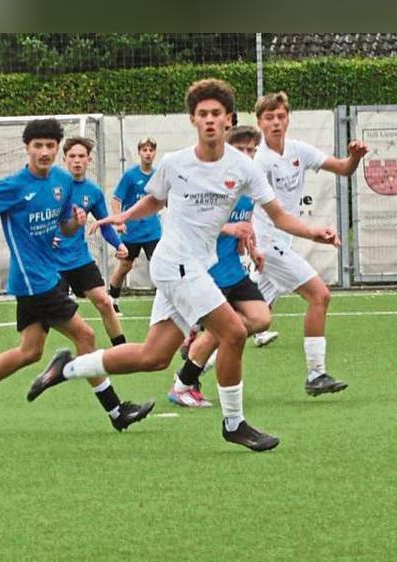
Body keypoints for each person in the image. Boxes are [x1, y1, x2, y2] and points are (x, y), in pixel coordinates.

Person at [26, 79, 341, 452]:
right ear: (193, 119)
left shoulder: (243, 167)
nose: (210, 120)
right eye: (203, 114)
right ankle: (234, 422)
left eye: (217, 114)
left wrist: (312, 231)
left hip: (194, 265)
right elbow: (154, 202)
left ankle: (67, 368)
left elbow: (277, 215)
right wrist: (120, 217)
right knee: (235, 333)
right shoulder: (175, 163)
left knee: (153, 357)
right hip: (176, 264)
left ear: (228, 120)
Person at [0, 118, 154, 436]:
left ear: (57, 149)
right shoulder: (12, 187)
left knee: (29, 351)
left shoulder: (61, 181)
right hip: (33, 281)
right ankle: (115, 409)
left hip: (45, 274)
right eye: (38, 146)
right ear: (27, 148)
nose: (44, 151)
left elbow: (65, 226)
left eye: (50, 146)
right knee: (85, 337)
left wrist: (76, 221)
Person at [251, 91, 368, 395]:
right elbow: (277, 217)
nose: (276, 122)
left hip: (280, 244)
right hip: (267, 245)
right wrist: (313, 232)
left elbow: (343, 169)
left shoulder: (298, 150)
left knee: (247, 321)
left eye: (280, 116)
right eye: (269, 117)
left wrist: (354, 157)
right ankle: (316, 374)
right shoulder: (260, 162)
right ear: (260, 123)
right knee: (320, 295)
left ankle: (189, 370)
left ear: (288, 118)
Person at [168, 125, 274, 408]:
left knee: (261, 318)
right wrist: (230, 229)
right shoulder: (212, 183)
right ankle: (182, 386)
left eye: (252, 150)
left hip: (233, 268)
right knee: (221, 331)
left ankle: (195, 350)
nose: (247, 155)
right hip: (208, 268)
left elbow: (246, 222)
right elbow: (195, 225)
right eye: (241, 149)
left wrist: (252, 248)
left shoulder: (249, 184)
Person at [55, 136, 128, 347]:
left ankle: (121, 349)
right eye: (72, 156)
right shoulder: (53, 187)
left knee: (105, 302)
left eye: (81, 156)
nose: (77, 160)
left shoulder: (93, 191)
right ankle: (77, 343)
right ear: (65, 159)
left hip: (79, 258)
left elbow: (104, 224)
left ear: (88, 160)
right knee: (53, 314)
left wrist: (119, 244)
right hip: (53, 263)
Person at [108, 136, 162, 316]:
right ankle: (112, 300)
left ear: (154, 153)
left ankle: (164, 302)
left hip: (152, 231)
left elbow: (165, 198)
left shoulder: (158, 175)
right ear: (139, 152)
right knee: (125, 266)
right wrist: (118, 220)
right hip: (131, 231)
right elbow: (116, 199)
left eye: (151, 150)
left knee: (160, 265)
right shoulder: (130, 176)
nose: (148, 153)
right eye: (144, 150)